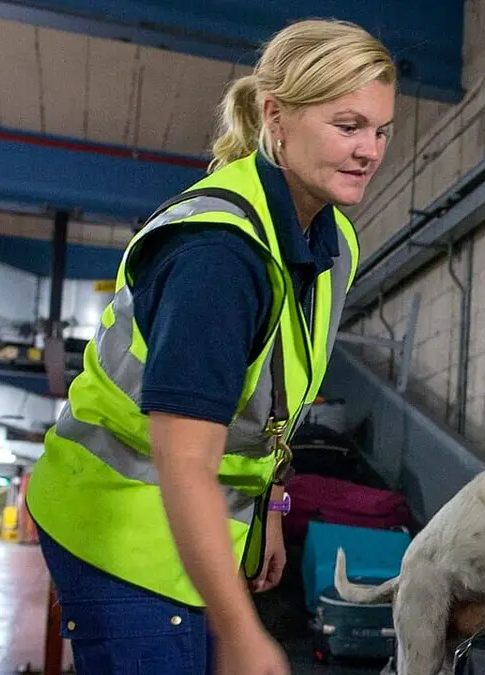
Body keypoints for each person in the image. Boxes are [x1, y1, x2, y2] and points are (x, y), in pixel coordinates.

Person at [24, 18, 396, 675]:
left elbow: (271, 399)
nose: (369, 150)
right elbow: (182, 458)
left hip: (185, 517)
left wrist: (271, 506)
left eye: (381, 130)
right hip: (119, 525)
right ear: (276, 118)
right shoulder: (217, 256)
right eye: (348, 126)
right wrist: (240, 631)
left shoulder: (330, 239)